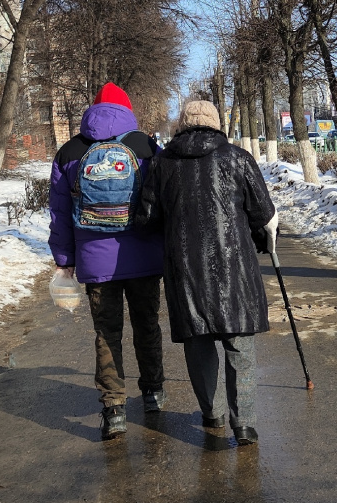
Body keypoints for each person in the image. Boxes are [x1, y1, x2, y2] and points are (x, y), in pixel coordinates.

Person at [136, 100, 276, 446]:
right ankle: (243, 423)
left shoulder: (162, 163)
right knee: (239, 345)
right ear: (216, 124)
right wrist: (261, 239)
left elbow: (146, 218)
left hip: (185, 271)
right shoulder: (238, 158)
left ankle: (212, 412)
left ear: (181, 125)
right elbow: (263, 213)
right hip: (235, 271)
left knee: (198, 342)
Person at [49, 82, 165, 441]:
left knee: (106, 332)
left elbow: (60, 212)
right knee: (147, 325)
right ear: (127, 110)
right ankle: (153, 393)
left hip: (95, 262)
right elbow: (162, 201)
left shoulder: (70, 151)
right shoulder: (146, 147)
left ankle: (114, 408)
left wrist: (65, 260)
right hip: (145, 256)